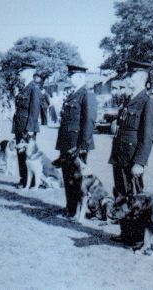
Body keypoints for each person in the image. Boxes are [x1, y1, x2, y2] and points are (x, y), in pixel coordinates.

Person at [109, 60, 153, 247]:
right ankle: (126, 233)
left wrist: (140, 162)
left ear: (140, 78)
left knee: (135, 198)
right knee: (121, 195)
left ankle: (137, 238)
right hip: (120, 156)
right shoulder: (129, 100)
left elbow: (148, 137)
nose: (127, 80)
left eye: (130, 76)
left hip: (132, 159)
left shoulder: (148, 101)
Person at [55, 64, 97, 218]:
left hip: (77, 144)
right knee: (68, 176)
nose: (69, 78)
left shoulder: (86, 94)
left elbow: (89, 121)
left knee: (77, 178)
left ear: (80, 77)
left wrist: (84, 145)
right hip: (67, 142)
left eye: (71, 75)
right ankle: (70, 208)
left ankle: (79, 210)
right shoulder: (72, 94)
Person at [12, 62, 41, 188]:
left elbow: (34, 111)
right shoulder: (24, 88)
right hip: (20, 125)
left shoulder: (34, 88)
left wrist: (29, 129)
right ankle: (23, 179)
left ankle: (32, 181)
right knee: (20, 153)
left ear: (29, 73)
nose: (20, 74)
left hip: (27, 127)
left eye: (22, 71)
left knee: (29, 154)